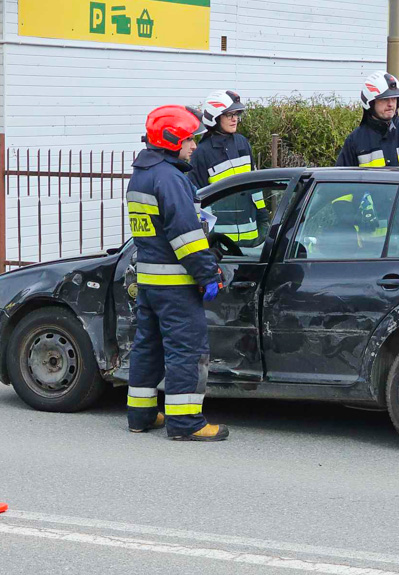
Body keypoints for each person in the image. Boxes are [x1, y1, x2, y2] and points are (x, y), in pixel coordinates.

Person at [125, 105, 228, 441]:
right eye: (189, 139)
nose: (194, 146)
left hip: (150, 282)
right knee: (187, 350)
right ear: (171, 141)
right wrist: (208, 276)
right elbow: (186, 237)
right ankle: (185, 423)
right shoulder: (170, 178)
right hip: (176, 285)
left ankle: (140, 415)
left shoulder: (142, 174)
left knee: (147, 347)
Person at [190, 90, 269, 247]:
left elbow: (255, 186)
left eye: (236, 114)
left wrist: (263, 217)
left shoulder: (242, 143)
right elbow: (198, 198)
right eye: (229, 115)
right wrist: (211, 237)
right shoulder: (202, 153)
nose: (235, 119)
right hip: (222, 243)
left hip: (251, 239)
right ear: (215, 117)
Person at [336, 71, 399, 169]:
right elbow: (342, 182)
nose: (390, 104)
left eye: (394, 99)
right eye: (384, 99)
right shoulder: (355, 140)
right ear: (370, 103)